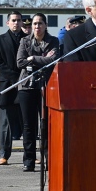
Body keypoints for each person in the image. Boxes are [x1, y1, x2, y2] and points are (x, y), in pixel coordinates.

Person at [16, 13, 60, 173]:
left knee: (46, 125)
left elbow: (54, 60)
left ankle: (48, 159)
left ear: (45, 25)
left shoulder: (53, 41)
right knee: (29, 126)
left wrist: (32, 58)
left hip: (47, 86)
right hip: (27, 86)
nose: (37, 26)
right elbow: (20, 62)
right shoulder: (24, 41)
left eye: (40, 23)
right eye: (34, 24)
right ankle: (29, 160)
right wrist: (40, 58)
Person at [0, 11, 26, 165]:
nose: (16, 23)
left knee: (27, 123)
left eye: (19, 20)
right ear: (7, 23)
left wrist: (22, 78)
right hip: (7, 86)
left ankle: (30, 154)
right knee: (6, 125)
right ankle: (4, 154)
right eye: (13, 20)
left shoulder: (29, 40)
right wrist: (15, 78)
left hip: (26, 86)